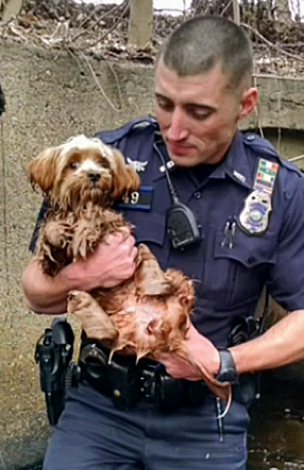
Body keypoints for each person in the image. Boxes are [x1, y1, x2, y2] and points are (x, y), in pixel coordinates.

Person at [22, 16, 304, 469]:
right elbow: (35, 291)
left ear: (245, 104)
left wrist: (223, 362)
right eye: (164, 104)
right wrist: (84, 275)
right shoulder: (109, 159)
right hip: (99, 409)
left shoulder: (280, 191)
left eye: (198, 112)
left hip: (204, 420)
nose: (174, 130)